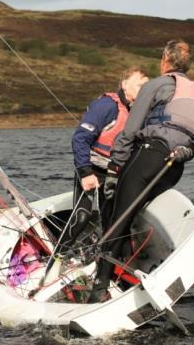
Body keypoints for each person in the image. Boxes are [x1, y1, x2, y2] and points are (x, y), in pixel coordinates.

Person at [89, 39, 194, 302]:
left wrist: (115, 168)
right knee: (136, 212)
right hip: (175, 167)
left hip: (148, 156)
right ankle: (124, 274)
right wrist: (192, 149)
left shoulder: (157, 84)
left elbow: (130, 131)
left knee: (119, 216)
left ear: (165, 60)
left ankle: (99, 288)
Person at [63, 66, 148, 251]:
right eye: (140, 85)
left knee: (112, 221)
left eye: (146, 87)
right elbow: (80, 138)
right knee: (82, 217)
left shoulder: (139, 113)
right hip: (91, 169)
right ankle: (57, 255)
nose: (144, 90)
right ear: (125, 84)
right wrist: (85, 173)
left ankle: (103, 259)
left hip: (114, 173)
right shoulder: (106, 106)